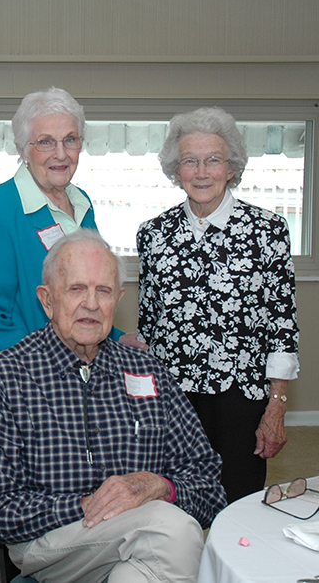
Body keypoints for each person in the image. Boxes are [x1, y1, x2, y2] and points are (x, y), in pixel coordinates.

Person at [0, 229, 225, 583]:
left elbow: (210, 485)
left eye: (103, 291)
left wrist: (160, 487)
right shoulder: (5, 375)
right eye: (76, 289)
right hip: (52, 543)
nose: (91, 304)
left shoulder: (148, 371)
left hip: (141, 541)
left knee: (136, 574)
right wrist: (87, 505)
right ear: (47, 300)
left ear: (117, 299)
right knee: (173, 529)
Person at [136, 107, 299, 503]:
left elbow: (282, 324)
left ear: (232, 168)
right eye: (190, 161)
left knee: (239, 503)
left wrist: (275, 406)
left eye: (213, 160)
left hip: (240, 398)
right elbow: (148, 326)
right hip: (171, 400)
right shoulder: (153, 235)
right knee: (171, 504)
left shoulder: (267, 230)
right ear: (176, 170)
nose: (202, 171)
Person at [0, 86, 143, 435]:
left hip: (80, 387)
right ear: (23, 150)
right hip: (22, 392)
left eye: (70, 140)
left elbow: (83, 293)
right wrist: (47, 372)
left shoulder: (82, 203)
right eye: (45, 142)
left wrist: (117, 338)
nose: (60, 153)